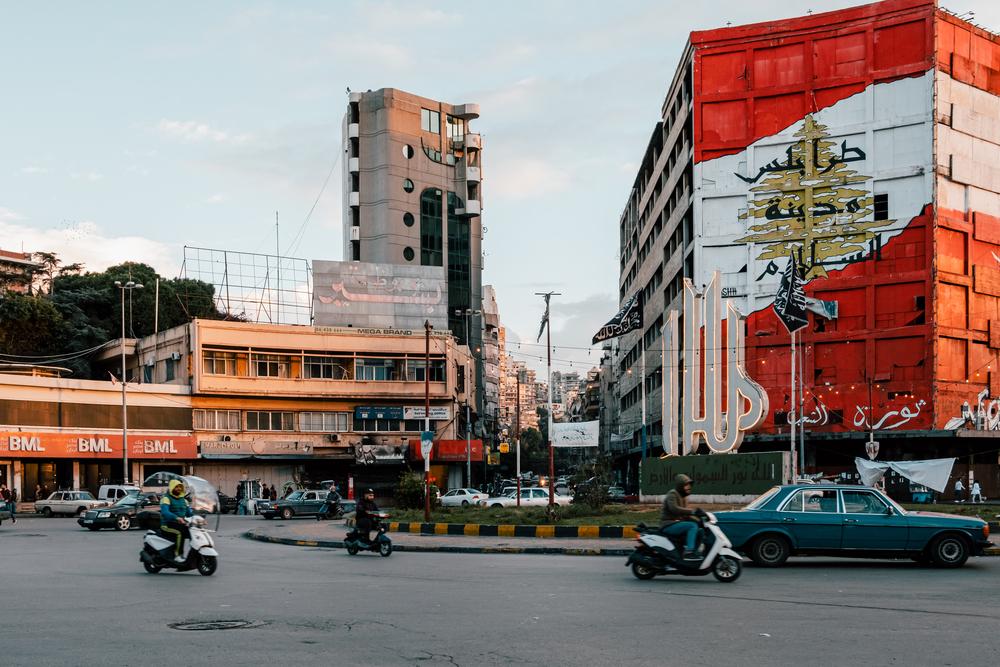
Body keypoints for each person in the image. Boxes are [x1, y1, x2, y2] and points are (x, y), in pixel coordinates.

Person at [660, 474, 706, 560]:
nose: (688, 487)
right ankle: (689, 552)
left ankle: (694, 554)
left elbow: (685, 515)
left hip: (677, 524)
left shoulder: (684, 498)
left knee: (700, 531)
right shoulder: (672, 494)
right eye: (686, 485)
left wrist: (699, 520)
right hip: (668, 524)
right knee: (692, 526)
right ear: (680, 486)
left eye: (689, 485)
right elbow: (674, 509)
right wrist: (693, 511)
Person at [160, 479, 195, 563]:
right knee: (179, 533)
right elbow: (165, 512)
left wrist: (198, 518)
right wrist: (176, 518)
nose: (179, 488)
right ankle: (177, 555)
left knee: (193, 533)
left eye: (180, 487)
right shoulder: (166, 499)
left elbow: (189, 513)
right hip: (167, 525)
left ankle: (194, 554)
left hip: (180, 524)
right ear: (172, 488)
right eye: (176, 487)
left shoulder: (184, 500)